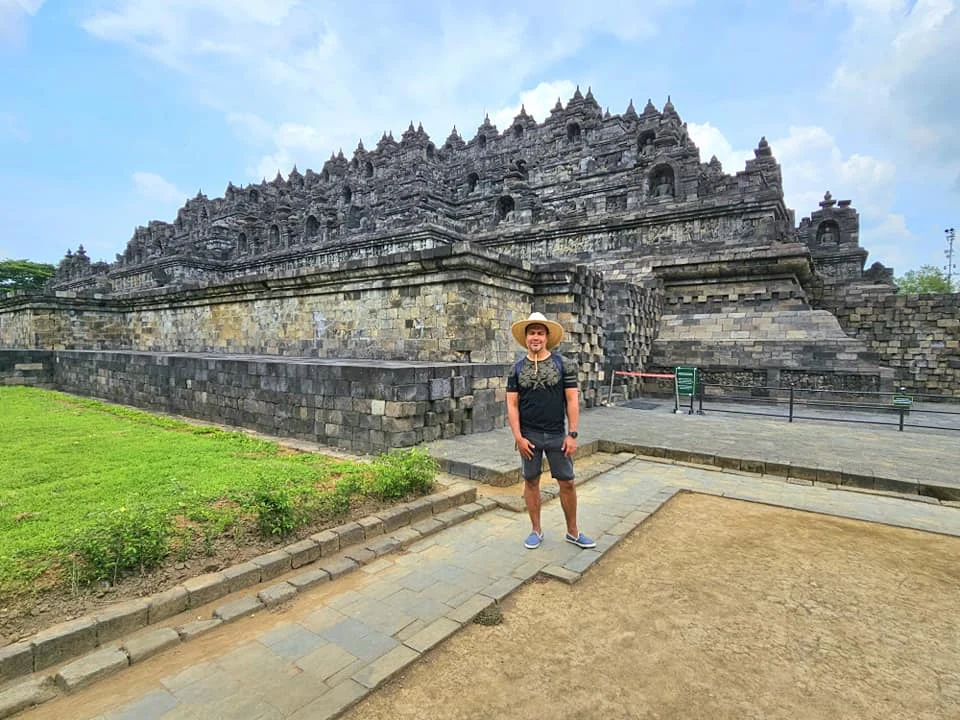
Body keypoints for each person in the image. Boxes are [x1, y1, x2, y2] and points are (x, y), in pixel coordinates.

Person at [506, 312, 596, 550]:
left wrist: (572, 433)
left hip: (557, 434)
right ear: (526, 338)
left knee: (567, 482)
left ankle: (573, 531)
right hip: (529, 436)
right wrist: (518, 437)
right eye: (532, 333)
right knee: (531, 481)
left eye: (540, 333)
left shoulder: (563, 364)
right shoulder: (516, 369)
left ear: (547, 337)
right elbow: (512, 405)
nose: (536, 337)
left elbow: (572, 401)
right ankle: (536, 530)